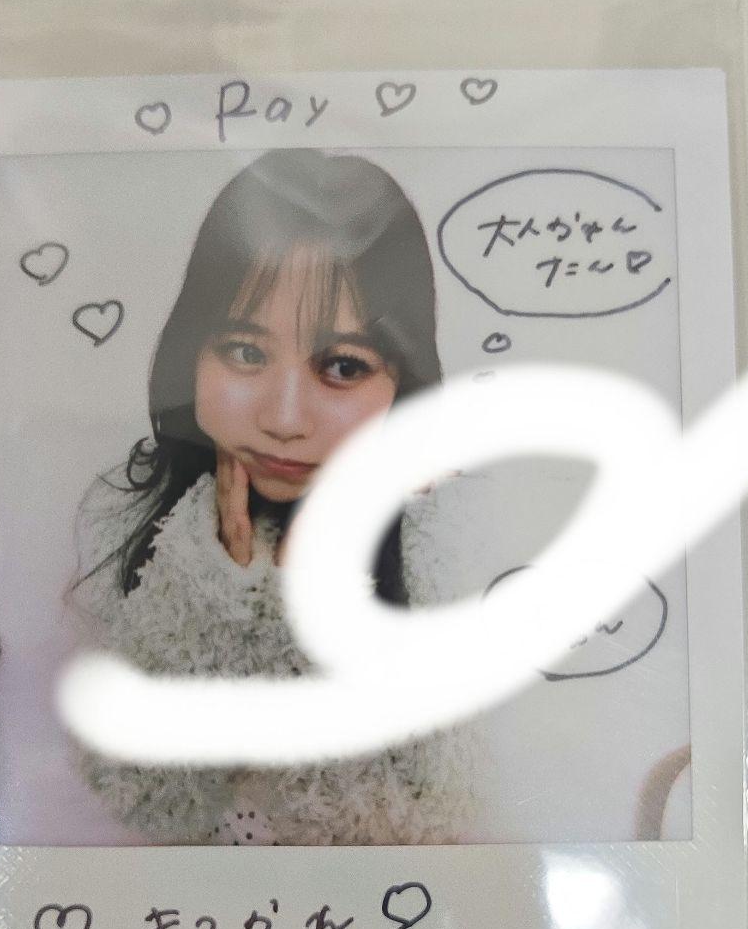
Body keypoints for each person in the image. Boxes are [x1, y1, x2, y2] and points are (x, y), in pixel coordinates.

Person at [68, 149, 482, 846]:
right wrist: (212, 594)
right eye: (246, 353)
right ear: (191, 353)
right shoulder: (131, 514)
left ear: (403, 383)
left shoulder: (447, 544)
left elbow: (413, 839)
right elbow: (139, 805)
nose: (284, 419)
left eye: (343, 366)